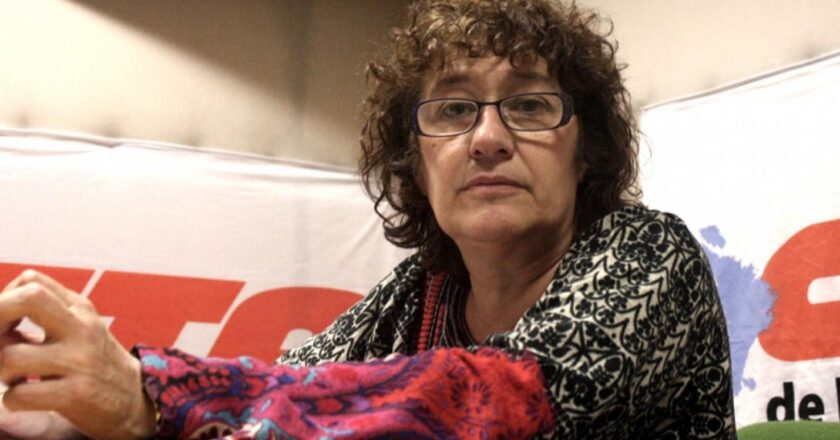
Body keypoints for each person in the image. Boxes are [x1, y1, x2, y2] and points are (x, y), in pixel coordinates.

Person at [0, 0, 736, 438]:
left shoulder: (650, 256)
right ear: (417, 163)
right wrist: (69, 414)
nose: (488, 137)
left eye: (530, 104)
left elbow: (501, 401)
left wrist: (148, 393)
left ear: (587, 152)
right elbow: (289, 393)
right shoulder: (415, 297)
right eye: (453, 110)